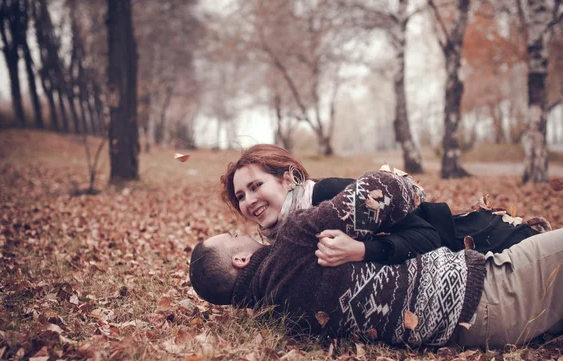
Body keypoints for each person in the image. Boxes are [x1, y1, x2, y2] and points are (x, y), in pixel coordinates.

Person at [191, 172, 563, 348]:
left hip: (470, 335)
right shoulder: (293, 242)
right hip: (491, 293)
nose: (242, 228)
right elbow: (392, 188)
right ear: (240, 259)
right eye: (234, 236)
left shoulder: (278, 314)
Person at [220, 144, 548, 266]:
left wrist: (361, 251)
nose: (249, 201)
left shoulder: (329, 197)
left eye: (255, 186)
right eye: (240, 196)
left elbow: (427, 238)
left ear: (288, 179)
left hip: (478, 240)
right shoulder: (288, 232)